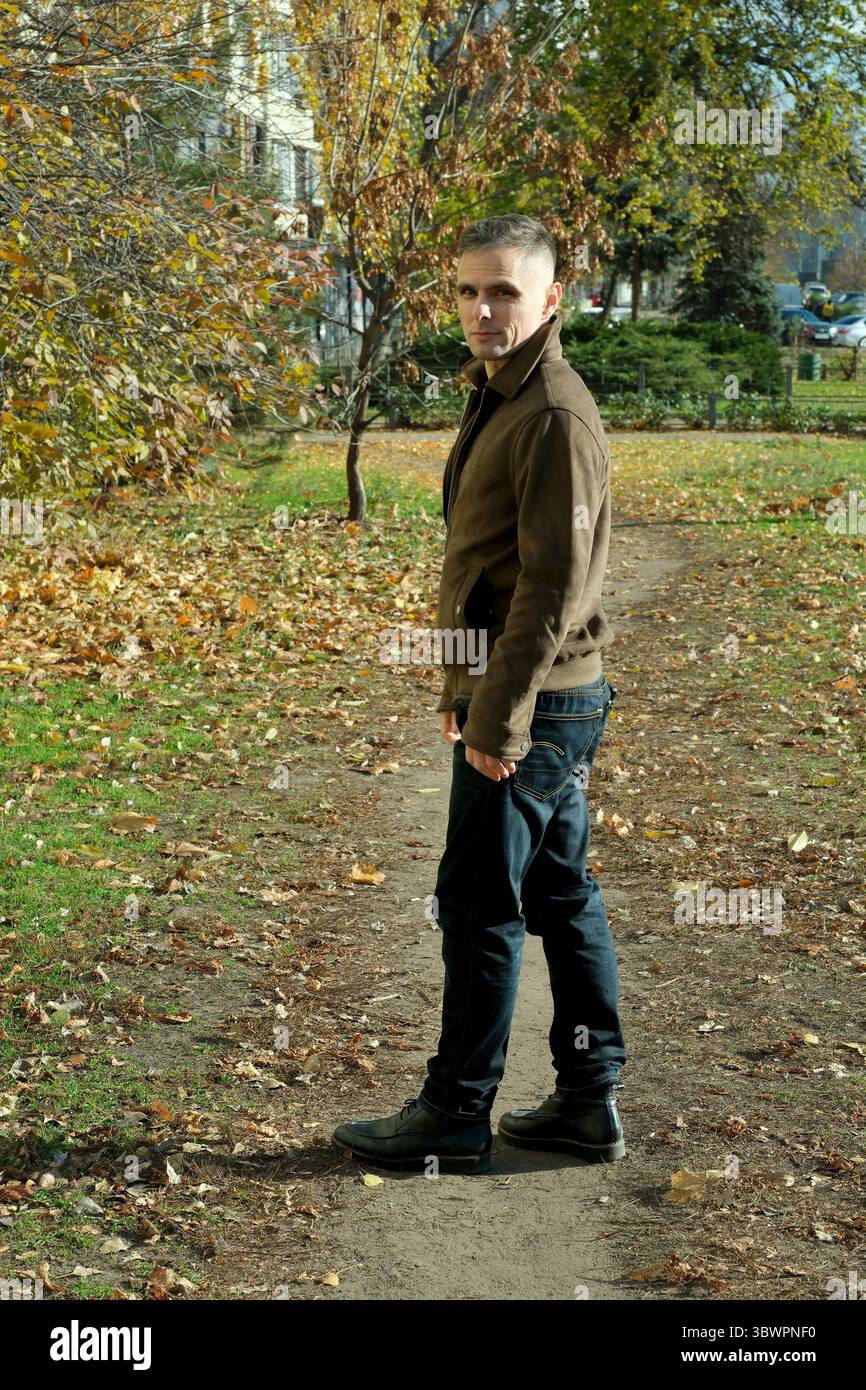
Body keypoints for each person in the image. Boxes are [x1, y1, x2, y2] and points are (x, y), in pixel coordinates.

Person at [332, 215, 627, 1173]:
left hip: (538, 707)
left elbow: (552, 587)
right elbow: (493, 568)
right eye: (466, 289)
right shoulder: (502, 393)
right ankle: (587, 1105)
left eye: (503, 290)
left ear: (552, 298)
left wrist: (499, 716)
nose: (481, 308)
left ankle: (455, 1114)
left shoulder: (550, 411)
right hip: (536, 695)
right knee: (559, 894)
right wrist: (466, 686)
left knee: (478, 906)